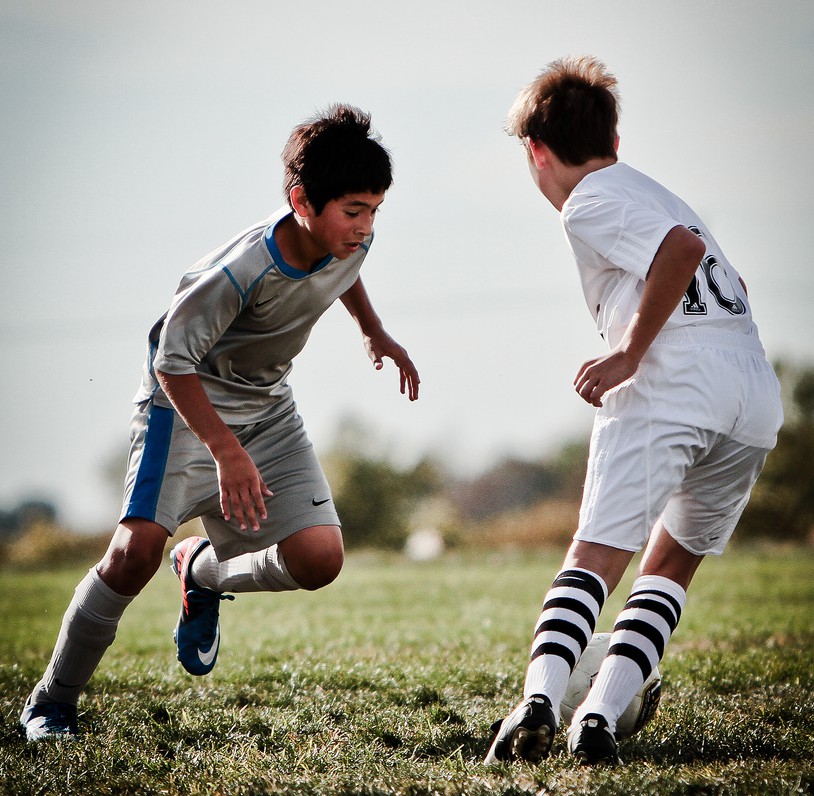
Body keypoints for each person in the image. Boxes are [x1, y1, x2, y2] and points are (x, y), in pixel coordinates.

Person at [21, 104, 420, 741]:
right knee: (133, 554)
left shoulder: (352, 238)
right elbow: (171, 360)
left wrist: (376, 333)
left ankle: (200, 569)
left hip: (268, 409)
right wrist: (224, 450)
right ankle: (50, 702)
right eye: (354, 210)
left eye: (375, 209)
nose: (366, 227)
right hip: (182, 405)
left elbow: (346, 271)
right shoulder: (239, 271)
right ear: (301, 202)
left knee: (319, 558)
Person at [484, 56, 782, 766]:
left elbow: (678, 254)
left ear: (537, 151)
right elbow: (723, 272)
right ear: (613, 140)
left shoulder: (589, 199)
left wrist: (628, 353)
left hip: (670, 383)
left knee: (594, 557)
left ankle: (540, 702)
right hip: (749, 390)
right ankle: (599, 718)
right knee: (670, 565)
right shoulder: (663, 193)